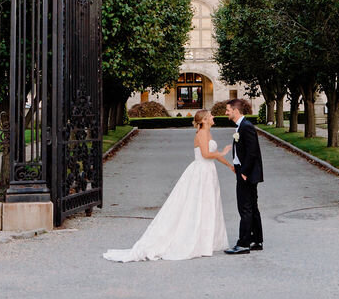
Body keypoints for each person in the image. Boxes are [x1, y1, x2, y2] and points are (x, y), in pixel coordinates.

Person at [103, 109, 233, 262]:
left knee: (208, 204)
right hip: (201, 172)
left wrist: (229, 166)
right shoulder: (202, 134)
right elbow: (206, 154)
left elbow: (214, 153)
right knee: (196, 204)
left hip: (209, 171)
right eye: (210, 115)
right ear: (204, 120)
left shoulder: (208, 133)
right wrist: (223, 153)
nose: (213, 117)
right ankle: (195, 240)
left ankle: (205, 241)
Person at [224, 98, 264, 254]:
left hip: (247, 174)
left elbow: (252, 152)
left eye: (228, 110)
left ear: (236, 110)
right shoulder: (241, 126)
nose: (226, 112)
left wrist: (244, 172)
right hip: (243, 171)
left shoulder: (246, 127)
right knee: (252, 207)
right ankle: (256, 240)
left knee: (245, 208)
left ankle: (244, 243)